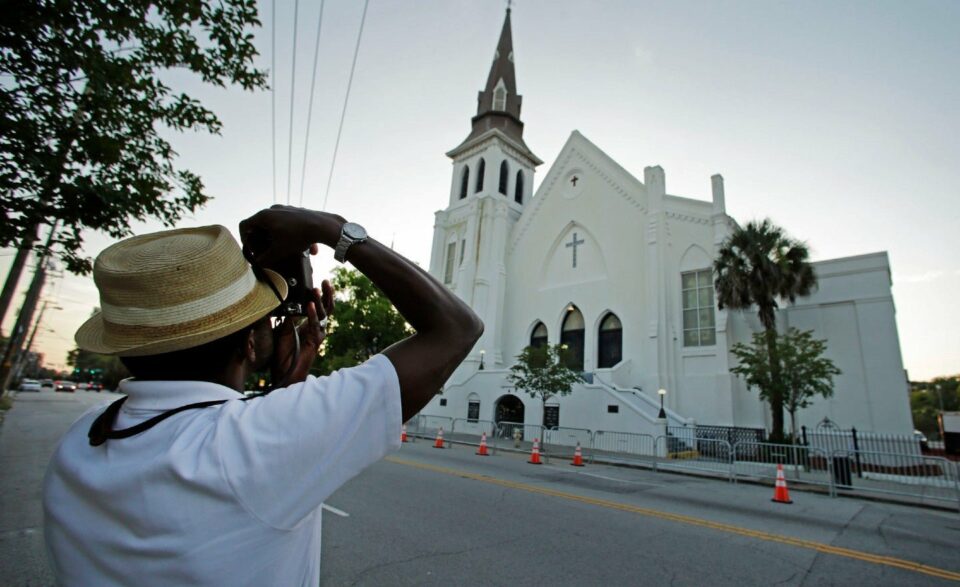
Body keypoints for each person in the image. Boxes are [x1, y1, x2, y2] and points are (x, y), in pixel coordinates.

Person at [43, 206, 483, 586]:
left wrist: (284, 388)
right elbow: (457, 329)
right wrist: (333, 229)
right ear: (251, 345)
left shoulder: (81, 439)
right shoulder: (246, 443)